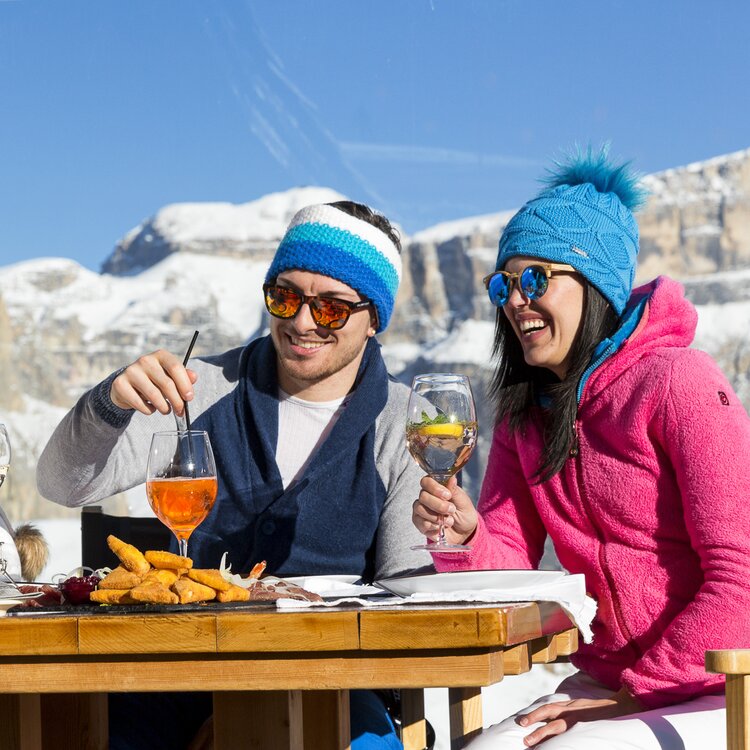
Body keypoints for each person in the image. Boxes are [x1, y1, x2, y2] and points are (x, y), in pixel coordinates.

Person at [38, 200, 432, 750]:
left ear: (373, 322)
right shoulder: (203, 386)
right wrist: (108, 404)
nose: (301, 322)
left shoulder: (403, 423)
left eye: (332, 309)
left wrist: (262, 703)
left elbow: (409, 594)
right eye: (285, 296)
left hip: (339, 678)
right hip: (179, 671)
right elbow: (62, 483)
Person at [412, 147, 750, 749]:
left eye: (536, 278)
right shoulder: (526, 414)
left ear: (593, 284)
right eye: (504, 284)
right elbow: (513, 562)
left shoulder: (679, 383)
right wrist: (466, 538)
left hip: (720, 683)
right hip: (607, 681)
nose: (516, 301)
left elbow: (740, 581)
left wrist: (631, 695)